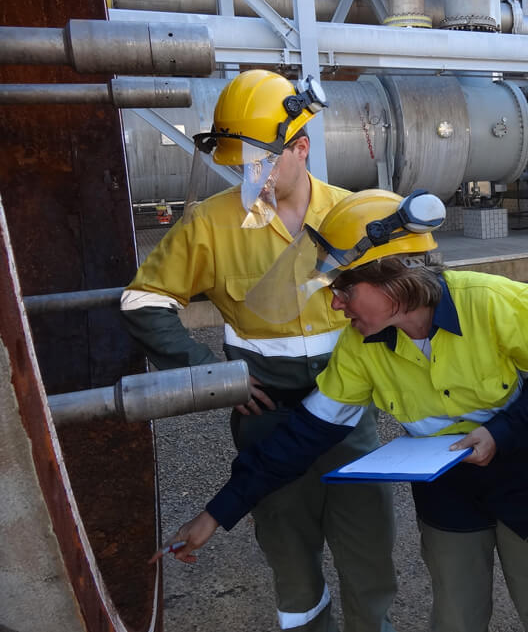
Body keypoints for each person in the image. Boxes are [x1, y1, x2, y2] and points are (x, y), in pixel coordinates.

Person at [153, 188, 528, 632]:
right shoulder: (360, 347)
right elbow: (303, 435)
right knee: (456, 619)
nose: (335, 304)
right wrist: (216, 514)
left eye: (343, 288)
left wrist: (500, 433)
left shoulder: (498, 301)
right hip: (448, 490)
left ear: (392, 279)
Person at [121, 70, 397, 632]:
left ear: (301, 147)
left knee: (367, 555)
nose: (252, 173)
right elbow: (141, 301)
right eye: (240, 161)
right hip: (264, 416)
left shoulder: (353, 217)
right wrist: (211, 376)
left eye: (263, 159)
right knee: (291, 563)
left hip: (348, 413)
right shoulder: (213, 223)